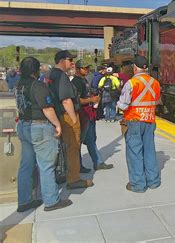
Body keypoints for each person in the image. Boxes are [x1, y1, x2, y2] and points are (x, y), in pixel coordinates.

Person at [15, 57, 73, 212]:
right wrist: (57, 125)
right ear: (36, 70)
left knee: (26, 165)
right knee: (46, 164)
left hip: (23, 126)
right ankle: (51, 200)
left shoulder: (18, 85)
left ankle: (24, 200)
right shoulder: (38, 85)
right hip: (39, 127)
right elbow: (47, 109)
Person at [48, 50, 93, 190]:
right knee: (73, 147)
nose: (72, 62)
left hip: (57, 115)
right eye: (70, 59)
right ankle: (73, 179)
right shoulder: (61, 76)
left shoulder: (50, 75)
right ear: (61, 60)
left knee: (63, 148)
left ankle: (63, 174)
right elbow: (66, 100)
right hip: (66, 115)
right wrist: (74, 119)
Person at [117, 56, 161, 193]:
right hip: (149, 120)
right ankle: (153, 181)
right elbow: (157, 101)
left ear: (135, 68)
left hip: (134, 121)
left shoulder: (131, 83)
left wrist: (118, 104)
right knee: (149, 150)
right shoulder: (155, 83)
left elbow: (123, 106)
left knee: (135, 152)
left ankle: (138, 184)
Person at [71, 60, 113, 172]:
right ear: (78, 69)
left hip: (89, 114)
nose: (87, 70)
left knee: (91, 140)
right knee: (78, 141)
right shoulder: (76, 82)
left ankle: (98, 162)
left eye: (88, 68)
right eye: (85, 68)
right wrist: (91, 99)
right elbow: (77, 100)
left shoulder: (83, 80)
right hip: (83, 114)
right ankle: (77, 166)